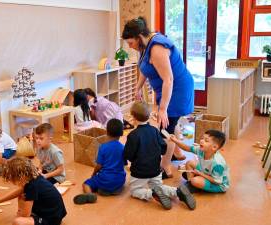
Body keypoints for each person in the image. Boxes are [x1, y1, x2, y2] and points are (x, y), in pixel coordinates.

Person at [122, 17, 195, 178]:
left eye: (131, 43)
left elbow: (168, 79)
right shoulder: (145, 44)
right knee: (172, 121)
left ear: (139, 36)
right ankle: (177, 153)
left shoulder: (157, 49)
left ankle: (165, 167)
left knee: (165, 128)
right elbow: (144, 66)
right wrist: (138, 87)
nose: (130, 46)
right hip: (167, 87)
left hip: (177, 88)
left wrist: (162, 109)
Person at [123, 102, 195, 210]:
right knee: (159, 186)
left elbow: (129, 155)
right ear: (149, 116)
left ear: (133, 117)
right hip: (156, 170)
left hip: (139, 172)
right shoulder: (155, 131)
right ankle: (177, 191)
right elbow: (163, 149)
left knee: (135, 191)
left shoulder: (133, 135)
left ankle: (152, 194)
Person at [0, 157, 67, 225]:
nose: (13, 182)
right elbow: (18, 191)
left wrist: (20, 216)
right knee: (22, 195)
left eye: (13, 179)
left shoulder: (31, 187)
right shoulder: (34, 177)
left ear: (21, 177)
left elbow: (25, 216)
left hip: (52, 220)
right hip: (56, 213)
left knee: (17, 222)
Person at [73, 119, 126, 205]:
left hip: (104, 180)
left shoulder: (103, 147)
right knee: (121, 177)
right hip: (118, 182)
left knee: (86, 184)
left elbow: (99, 166)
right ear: (122, 133)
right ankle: (113, 190)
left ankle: (90, 194)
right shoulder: (123, 148)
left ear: (107, 132)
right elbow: (123, 164)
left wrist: (93, 174)